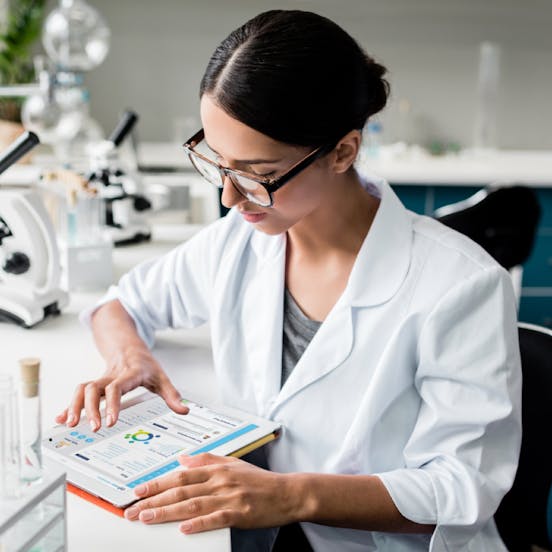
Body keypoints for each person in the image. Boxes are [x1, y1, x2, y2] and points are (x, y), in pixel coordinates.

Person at [56, 10, 521, 552]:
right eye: (218, 163)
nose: (229, 197)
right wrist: (128, 359)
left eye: (258, 174)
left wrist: (290, 496)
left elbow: (461, 491)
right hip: (260, 533)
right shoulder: (242, 238)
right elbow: (121, 305)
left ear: (343, 151)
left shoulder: (460, 286)